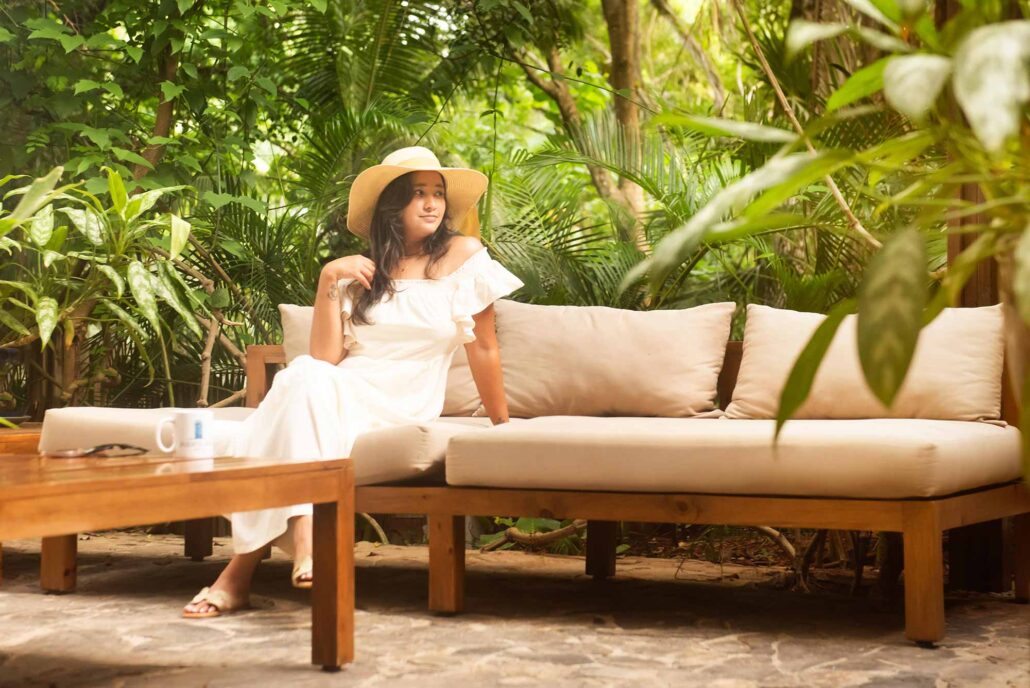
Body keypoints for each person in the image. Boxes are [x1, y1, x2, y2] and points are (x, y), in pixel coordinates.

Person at [183, 146, 523, 617]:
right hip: (341, 391)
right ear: (391, 206)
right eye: (417, 194)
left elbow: (483, 345)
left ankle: (245, 571)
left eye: (438, 194)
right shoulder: (362, 272)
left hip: (400, 404)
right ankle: (300, 539)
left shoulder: (464, 257)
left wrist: (503, 424)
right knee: (305, 377)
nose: (432, 204)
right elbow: (326, 358)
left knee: (297, 393)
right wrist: (328, 278)